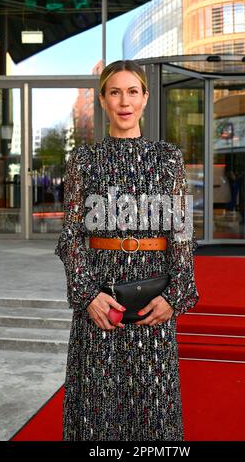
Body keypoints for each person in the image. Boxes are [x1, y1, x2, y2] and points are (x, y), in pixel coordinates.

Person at [54, 59, 199, 441]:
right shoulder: (82, 161)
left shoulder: (168, 159)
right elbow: (71, 236)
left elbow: (181, 233)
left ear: (145, 98)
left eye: (132, 91)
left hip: (154, 306)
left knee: (154, 411)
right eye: (114, 92)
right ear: (102, 100)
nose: (124, 101)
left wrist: (175, 294)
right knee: (96, 415)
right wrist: (88, 296)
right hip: (100, 306)